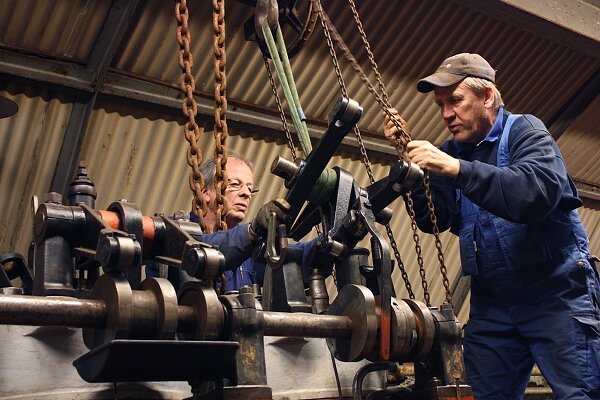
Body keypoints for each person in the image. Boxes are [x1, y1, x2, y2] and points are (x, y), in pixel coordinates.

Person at [383, 53, 600, 400]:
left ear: (486, 96)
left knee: (581, 394)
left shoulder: (526, 132)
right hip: (494, 303)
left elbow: (533, 193)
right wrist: (410, 163)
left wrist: (457, 170)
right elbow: (434, 219)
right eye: (440, 105)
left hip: (555, 293)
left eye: (455, 101)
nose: (446, 114)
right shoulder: (452, 152)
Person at [148, 152, 314, 292]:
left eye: (250, 189)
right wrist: (253, 230)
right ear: (204, 192)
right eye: (235, 184)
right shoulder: (172, 232)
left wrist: (323, 245)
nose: (246, 194)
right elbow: (202, 249)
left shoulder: (251, 249)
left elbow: (294, 260)